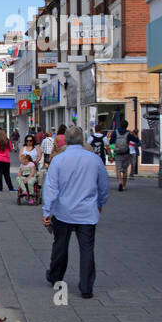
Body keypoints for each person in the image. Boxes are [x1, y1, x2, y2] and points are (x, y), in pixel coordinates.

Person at [43, 125, 109, 299]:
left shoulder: (58, 160)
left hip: (63, 210)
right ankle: (86, 286)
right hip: (87, 211)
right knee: (87, 249)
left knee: (60, 246)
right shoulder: (94, 160)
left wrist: (46, 210)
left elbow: (51, 187)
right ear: (82, 140)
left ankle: (56, 277)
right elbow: (103, 185)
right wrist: (101, 203)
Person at [108, 119, 138, 191]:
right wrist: (133, 134)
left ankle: (120, 182)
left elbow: (111, 141)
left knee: (118, 169)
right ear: (126, 126)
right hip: (126, 153)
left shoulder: (115, 132)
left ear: (120, 125)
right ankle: (124, 185)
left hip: (118, 153)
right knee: (125, 170)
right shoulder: (128, 133)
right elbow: (136, 140)